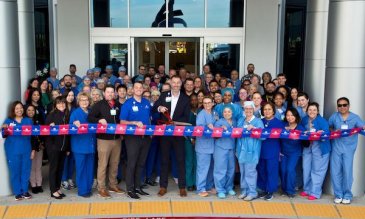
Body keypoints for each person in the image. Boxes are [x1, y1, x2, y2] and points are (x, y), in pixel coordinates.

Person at [152, 75, 190, 197]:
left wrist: (176, 123)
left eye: (178, 82)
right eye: (174, 82)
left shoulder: (185, 99)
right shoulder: (164, 95)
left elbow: (186, 117)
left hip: (178, 133)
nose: (176, 84)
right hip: (165, 134)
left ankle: (182, 187)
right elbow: (154, 107)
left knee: (180, 159)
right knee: (164, 160)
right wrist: (159, 107)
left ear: (181, 84)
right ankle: (163, 187)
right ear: (171, 83)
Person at [88, 85, 124, 198]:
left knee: (114, 163)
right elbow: (90, 118)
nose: (110, 94)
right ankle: (101, 188)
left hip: (117, 139)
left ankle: (113, 185)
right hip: (103, 139)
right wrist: (99, 120)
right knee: (103, 165)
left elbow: (120, 120)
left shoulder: (118, 105)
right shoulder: (98, 105)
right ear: (104, 93)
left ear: (114, 93)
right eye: (108, 92)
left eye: (112, 92)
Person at [329, 97, 365, 204]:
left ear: (349, 106)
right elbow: (329, 127)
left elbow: (362, 127)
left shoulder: (355, 117)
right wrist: (334, 131)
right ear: (337, 107)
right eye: (340, 105)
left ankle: (348, 195)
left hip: (349, 148)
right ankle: (338, 194)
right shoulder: (334, 116)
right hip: (336, 147)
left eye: (344, 105)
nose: (342, 107)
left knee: (347, 172)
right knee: (335, 172)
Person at [120, 82, 152, 199]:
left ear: (143, 89)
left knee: (141, 163)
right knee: (132, 163)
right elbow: (122, 121)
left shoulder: (146, 103)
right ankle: (130, 189)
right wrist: (133, 123)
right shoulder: (127, 104)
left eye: (141, 87)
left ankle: (138, 187)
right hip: (132, 138)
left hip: (146, 137)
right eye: (136, 87)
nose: (139, 89)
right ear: (132, 90)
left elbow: (149, 118)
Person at [2, 101, 33, 200]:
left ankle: (25, 191)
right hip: (12, 151)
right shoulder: (8, 121)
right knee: (15, 171)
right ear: (13, 110)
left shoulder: (28, 121)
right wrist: (3, 128)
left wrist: (33, 150)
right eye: (16, 108)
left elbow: (33, 137)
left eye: (20, 108)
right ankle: (17, 192)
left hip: (26, 150)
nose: (19, 110)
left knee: (26, 171)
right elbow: (3, 134)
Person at [300, 102, 331, 200]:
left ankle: (315, 192)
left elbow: (327, 133)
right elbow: (300, 128)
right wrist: (303, 132)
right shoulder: (305, 119)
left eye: (314, 110)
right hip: (308, 146)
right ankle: (307, 189)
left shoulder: (322, 121)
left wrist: (321, 134)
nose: (312, 112)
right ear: (307, 110)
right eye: (310, 110)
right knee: (306, 168)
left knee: (317, 170)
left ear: (317, 111)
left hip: (320, 147)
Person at [236, 101, 264, 201]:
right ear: (244, 109)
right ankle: (245, 191)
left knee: (250, 172)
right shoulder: (241, 120)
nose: (248, 110)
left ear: (253, 110)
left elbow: (263, 137)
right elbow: (236, 133)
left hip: (252, 152)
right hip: (241, 151)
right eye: (246, 108)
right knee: (243, 172)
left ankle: (252, 192)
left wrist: (254, 129)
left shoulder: (258, 122)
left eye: (250, 109)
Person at [69, 92, 95, 197]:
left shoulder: (91, 112)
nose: (84, 102)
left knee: (89, 168)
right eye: (82, 100)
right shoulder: (75, 113)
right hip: (79, 146)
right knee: (81, 169)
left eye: (86, 100)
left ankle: (88, 188)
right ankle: (82, 190)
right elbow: (69, 129)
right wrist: (74, 125)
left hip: (91, 145)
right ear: (78, 101)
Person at [257, 102, 284, 200]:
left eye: (269, 109)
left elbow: (282, 138)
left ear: (273, 111)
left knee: (271, 171)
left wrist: (281, 150)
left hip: (273, 150)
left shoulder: (279, 123)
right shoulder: (260, 121)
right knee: (262, 170)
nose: (267, 111)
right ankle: (264, 189)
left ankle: (271, 191)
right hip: (261, 150)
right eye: (265, 109)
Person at [45, 97, 70, 199]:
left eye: (63, 103)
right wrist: (50, 127)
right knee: (53, 169)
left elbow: (68, 134)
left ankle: (57, 188)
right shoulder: (51, 115)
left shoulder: (67, 115)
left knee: (60, 169)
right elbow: (45, 132)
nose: (61, 105)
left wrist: (68, 148)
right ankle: (53, 190)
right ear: (55, 105)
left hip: (63, 147)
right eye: (59, 103)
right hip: (54, 147)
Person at [280, 108, 305, 198]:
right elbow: (278, 139)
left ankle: (290, 191)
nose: (289, 117)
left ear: (296, 116)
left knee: (290, 170)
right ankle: (284, 189)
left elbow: (305, 142)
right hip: (283, 152)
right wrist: (279, 151)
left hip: (294, 153)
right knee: (283, 170)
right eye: (287, 115)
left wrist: (301, 135)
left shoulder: (300, 127)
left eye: (292, 115)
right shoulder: (283, 126)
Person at [214, 105, 236, 199]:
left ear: (232, 113)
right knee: (220, 170)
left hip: (231, 148)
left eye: (229, 112)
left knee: (231, 169)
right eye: (225, 112)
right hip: (221, 148)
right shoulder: (219, 122)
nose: (227, 113)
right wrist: (220, 130)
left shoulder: (234, 122)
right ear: (222, 113)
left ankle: (229, 187)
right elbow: (215, 136)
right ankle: (220, 190)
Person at [195, 96, 216, 197]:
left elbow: (218, 124)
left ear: (213, 103)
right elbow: (199, 129)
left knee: (211, 168)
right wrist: (207, 127)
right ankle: (200, 188)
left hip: (213, 146)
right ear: (203, 104)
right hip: (203, 146)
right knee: (203, 168)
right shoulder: (201, 114)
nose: (207, 105)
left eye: (209, 103)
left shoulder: (214, 113)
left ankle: (208, 186)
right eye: (205, 103)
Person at [25, 105, 45, 194]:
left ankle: (39, 184)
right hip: (29, 147)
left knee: (38, 166)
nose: (31, 112)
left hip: (39, 146)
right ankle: (33, 185)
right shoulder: (25, 121)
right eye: (28, 110)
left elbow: (43, 132)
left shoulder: (38, 121)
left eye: (32, 110)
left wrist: (42, 143)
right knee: (32, 167)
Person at [185, 94, 198, 191]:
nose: (193, 101)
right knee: (189, 161)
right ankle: (189, 183)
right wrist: (191, 138)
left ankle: (196, 182)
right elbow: (184, 127)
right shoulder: (186, 112)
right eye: (192, 100)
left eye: (195, 100)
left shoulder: (201, 111)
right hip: (188, 139)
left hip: (199, 140)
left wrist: (196, 138)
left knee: (197, 162)